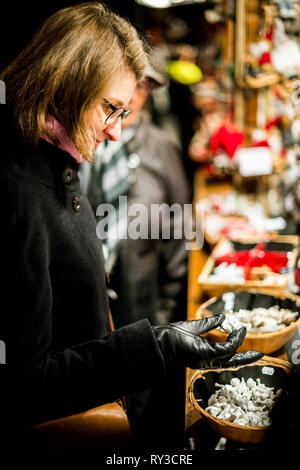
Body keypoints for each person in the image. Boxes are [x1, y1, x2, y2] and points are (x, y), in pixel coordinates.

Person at [0, 2, 262, 453]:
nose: (117, 132)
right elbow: (24, 386)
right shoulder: (20, 193)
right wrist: (154, 345)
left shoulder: (59, 159)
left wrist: (158, 337)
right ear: (67, 84)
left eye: (124, 112)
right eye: (110, 108)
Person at [80, 62, 189, 328]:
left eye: (141, 85)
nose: (129, 97)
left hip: (142, 309)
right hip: (84, 311)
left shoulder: (161, 149)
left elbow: (181, 230)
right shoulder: (78, 142)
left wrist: (166, 313)